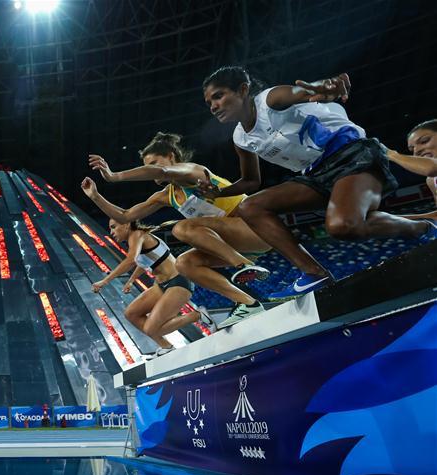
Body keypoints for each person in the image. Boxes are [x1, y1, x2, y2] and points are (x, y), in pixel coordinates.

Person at [201, 66, 436, 300]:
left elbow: (303, 91)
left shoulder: (270, 99)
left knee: (342, 227)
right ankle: (314, 273)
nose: (213, 106)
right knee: (250, 206)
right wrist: (220, 192)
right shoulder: (240, 138)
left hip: (351, 154)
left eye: (218, 96)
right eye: (209, 102)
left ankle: (422, 228)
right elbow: (251, 181)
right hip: (316, 174)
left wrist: (324, 87)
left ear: (243, 90)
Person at [88, 132, 269, 327]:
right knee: (184, 264)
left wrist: (115, 176)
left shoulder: (193, 171)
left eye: (154, 163)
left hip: (255, 229)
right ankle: (248, 303)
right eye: (148, 165)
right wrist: (95, 197)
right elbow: (125, 216)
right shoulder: (167, 195)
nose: (151, 169)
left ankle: (242, 265)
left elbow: (164, 172)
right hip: (234, 244)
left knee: (182, 228)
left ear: (171, 157)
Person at [84, 178, 207, 357]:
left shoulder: (138, 235)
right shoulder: (137, 240)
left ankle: (198, 315)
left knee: (151, 328)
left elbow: (130, 260)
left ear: (126, 224)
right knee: (131, 313)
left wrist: (105, 281)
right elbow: (145, 262)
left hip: (178, 283)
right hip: (162, 285)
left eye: (114, 227)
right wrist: (132, 279)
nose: (111, 232)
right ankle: (166, 347)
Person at [385, 119, 437, 221]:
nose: (417, 151)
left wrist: (390, 154)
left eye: (424, 141)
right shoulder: (431, 180)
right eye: (412, 149)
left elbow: (432, 168)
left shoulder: (432, 170)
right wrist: (389, 218)